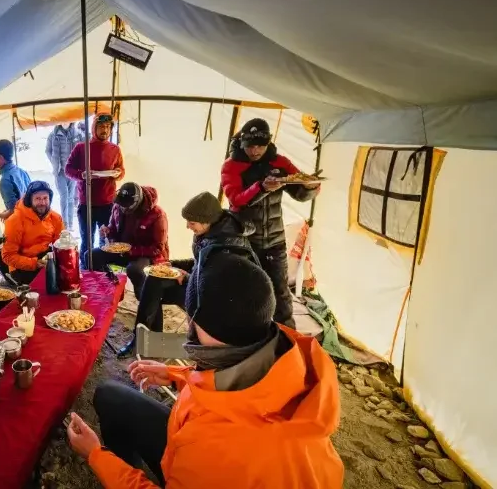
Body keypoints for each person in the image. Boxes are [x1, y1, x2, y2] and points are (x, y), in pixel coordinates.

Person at [66, 253, 344, 488]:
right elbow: (246, 396)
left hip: (210, 459)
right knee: (111, 396)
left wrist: (96, 455)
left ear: (201, 324)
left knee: (111, 407)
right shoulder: (287, 354)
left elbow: (227, 430)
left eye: (190, 316)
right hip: (214, 450)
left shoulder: (214, 448)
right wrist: (177, 377)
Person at [117, 191, 256, 357]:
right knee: (154, 279)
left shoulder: (229, 246)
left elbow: (222, 286)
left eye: (191, 222)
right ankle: (144, 339)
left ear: (207, 221)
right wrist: (174, 265)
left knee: (153, 291)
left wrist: (188, 277)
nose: (188, 226)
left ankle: (148, 342)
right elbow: (199, 262)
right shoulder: (210, 231)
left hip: (213, 303)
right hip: (200, 286)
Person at [221, 118, 320, 328]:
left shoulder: (280, 162)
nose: (255, 150)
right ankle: (246, 336)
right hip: (244, 240)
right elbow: (236, 200)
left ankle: (286, 338)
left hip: (275, 240)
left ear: (268, 142)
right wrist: (262, 187)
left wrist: (310, 186)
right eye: (250, 146)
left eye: (260, 145)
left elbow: (299, 190)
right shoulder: (231, 166)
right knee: (246, 290)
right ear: (242, 143)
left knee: (281, 293)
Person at [65, 113, 125, 268]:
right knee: (87, 240)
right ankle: (86, 270)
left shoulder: (115, 149)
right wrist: (82, 175)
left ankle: (102, 271)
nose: (104, 130)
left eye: (107, 127)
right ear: (94, 128)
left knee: (106, 239)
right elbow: (68, 169)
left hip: (108, 203)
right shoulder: (81, 148)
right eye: (101, 127)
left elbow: (121, 170)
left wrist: (118, 174)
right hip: (87, 203)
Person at [89, 182, 168, 298]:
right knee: (91, 255)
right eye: (121, 205)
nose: (122, 208)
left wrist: (132, 251)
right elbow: (113, 229)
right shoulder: (118, 206)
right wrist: (107, 232)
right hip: (121, 250)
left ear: (136, 203)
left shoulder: (157, 214)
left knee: (134, 270)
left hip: (145, 254)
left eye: (125, 206)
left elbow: (158, 248)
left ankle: (143, 298)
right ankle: (111, 288)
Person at [1, 180, 64, 285]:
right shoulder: (15, 220)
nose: (42, 203)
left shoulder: (55, 218)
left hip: (44, 258)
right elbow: (8, 256)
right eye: (38, 199)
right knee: (42, 288)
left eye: (45, 198)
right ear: (29, 200)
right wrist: (35, 263)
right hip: (21, 266)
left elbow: (61, 244)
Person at [46, 122, 86, 228]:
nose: (65, 122)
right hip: (59, 172)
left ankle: (70, 224)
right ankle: (65, 224)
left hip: (72, 171)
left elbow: (85, 145)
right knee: (64, 196)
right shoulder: (53, 135)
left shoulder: (77, 134)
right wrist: (54, 162)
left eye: (67, 120)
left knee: (71, 198)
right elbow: (48, 150)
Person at [0, 139, 31, 220]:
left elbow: (14, 211)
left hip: (20, 222)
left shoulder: (5, 180)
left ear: (0, 157)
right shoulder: (22, 171)